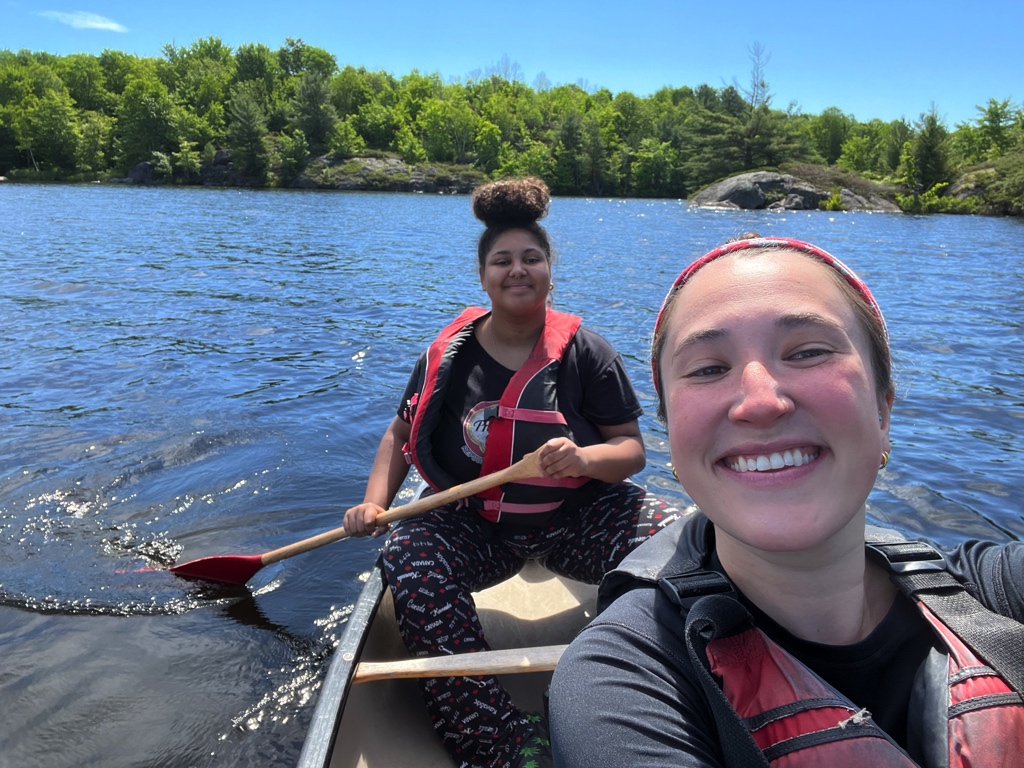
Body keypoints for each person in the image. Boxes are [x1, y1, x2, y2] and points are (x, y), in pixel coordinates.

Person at [549, 235, 1024, 768]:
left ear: (883, 409)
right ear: (672, 435)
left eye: (808, 352)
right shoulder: (626, 684)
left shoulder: (998, 591)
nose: (760, 402)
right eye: (707, 368)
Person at [343, 177, 680, 768]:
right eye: (503, 260)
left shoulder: (587, 352)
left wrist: (581, 458)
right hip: (478, 528)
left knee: (679, 538)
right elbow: (400, 435)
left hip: (574, 522)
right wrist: (374, 504)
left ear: (551, 268)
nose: (517, 270)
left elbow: (630, 451)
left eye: (532, 258)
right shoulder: (447, 353)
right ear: (483, 275)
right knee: (409, 555)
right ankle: (496, 740)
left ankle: (625, 685)